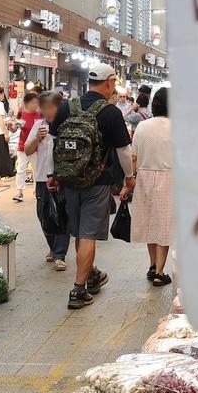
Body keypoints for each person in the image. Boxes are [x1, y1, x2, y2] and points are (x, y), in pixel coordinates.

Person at [53, 62, 131, 310]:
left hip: (68, 181)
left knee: (79, 232)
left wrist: (50, 175)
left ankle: (91, 274)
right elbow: (124, 151)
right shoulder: (111, 113)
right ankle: (78, 290)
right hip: (97, 183)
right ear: (109, 83)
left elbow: (52, 144)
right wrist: (130, 177)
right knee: (88, 234)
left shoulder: (66, 107)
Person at [125, 88, 172, 285]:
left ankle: (153, 265)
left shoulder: (143, 126)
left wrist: (127, 182)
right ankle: (160, 272)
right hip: (169, 179)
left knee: (150, 222)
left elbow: (132, 158)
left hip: (144, 177)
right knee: (164, 225)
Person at [25, 91, 69, 270]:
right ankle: (52, 246)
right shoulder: (38, 126)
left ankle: (60, 254)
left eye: (51, 107)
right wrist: (37, 138)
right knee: (43, 214)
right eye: (44, 108)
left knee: (62, 215)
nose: (47, 111)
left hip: (62, 178)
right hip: (42, 177)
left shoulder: (67, 126)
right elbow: (27, 150)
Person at [12, 91, 40, 202]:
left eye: (37, 103)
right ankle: (19, 191)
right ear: (27, 104)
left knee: (37, 170)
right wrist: (10, 126)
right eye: (33, 103)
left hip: (36, 148)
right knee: (21, 169)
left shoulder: (40, 115)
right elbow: (14, 129)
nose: (36, 105)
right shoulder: (21, 115)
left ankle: (36, 191)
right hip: (23, 147)